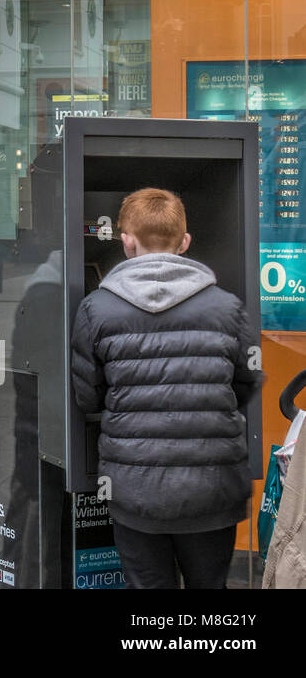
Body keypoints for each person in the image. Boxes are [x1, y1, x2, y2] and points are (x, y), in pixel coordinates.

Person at [71, 187, 263, 589]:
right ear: (186, 242)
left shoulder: (96, 308)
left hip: (134, 490)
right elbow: (247, 383)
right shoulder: (228, 306)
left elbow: (87, 395)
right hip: (213, 489)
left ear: (125, 241)